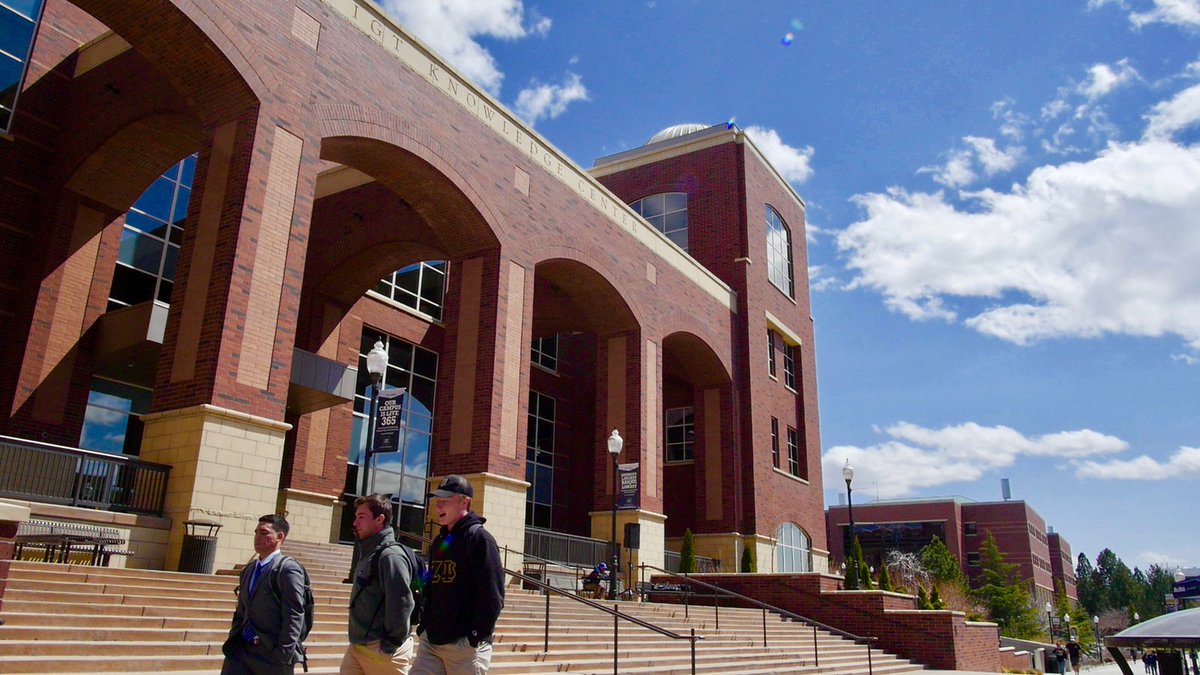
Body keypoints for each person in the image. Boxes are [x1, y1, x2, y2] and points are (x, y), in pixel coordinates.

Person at [410, 475, 505, 675]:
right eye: (437, 500)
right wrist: (423, 625)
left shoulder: (480, 539)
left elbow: (493, 596)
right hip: (431, 641)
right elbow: (430, 585)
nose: (438, 506)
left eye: (445, 500)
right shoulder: (440, 541)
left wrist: (474, 636)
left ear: (465, 502)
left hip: (464, 646)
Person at [222, 514, 308, 675]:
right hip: (241, 652)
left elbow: (294, 613)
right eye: (256, 533)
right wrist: (234, 638)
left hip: (271, 655)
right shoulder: (249, 570)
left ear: (280, 537)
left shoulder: (288, 569)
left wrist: (283, 653)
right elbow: (241, 610)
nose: (257, 537)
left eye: (264, 533)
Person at [341, 495, 416, 674]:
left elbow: (402, 602)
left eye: (361, 517)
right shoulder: (368, 552)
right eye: (356, 517)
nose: (355, 523)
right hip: (357, 646)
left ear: (379, 519)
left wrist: (391, 644)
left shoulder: (390, 556)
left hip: (381, 649)